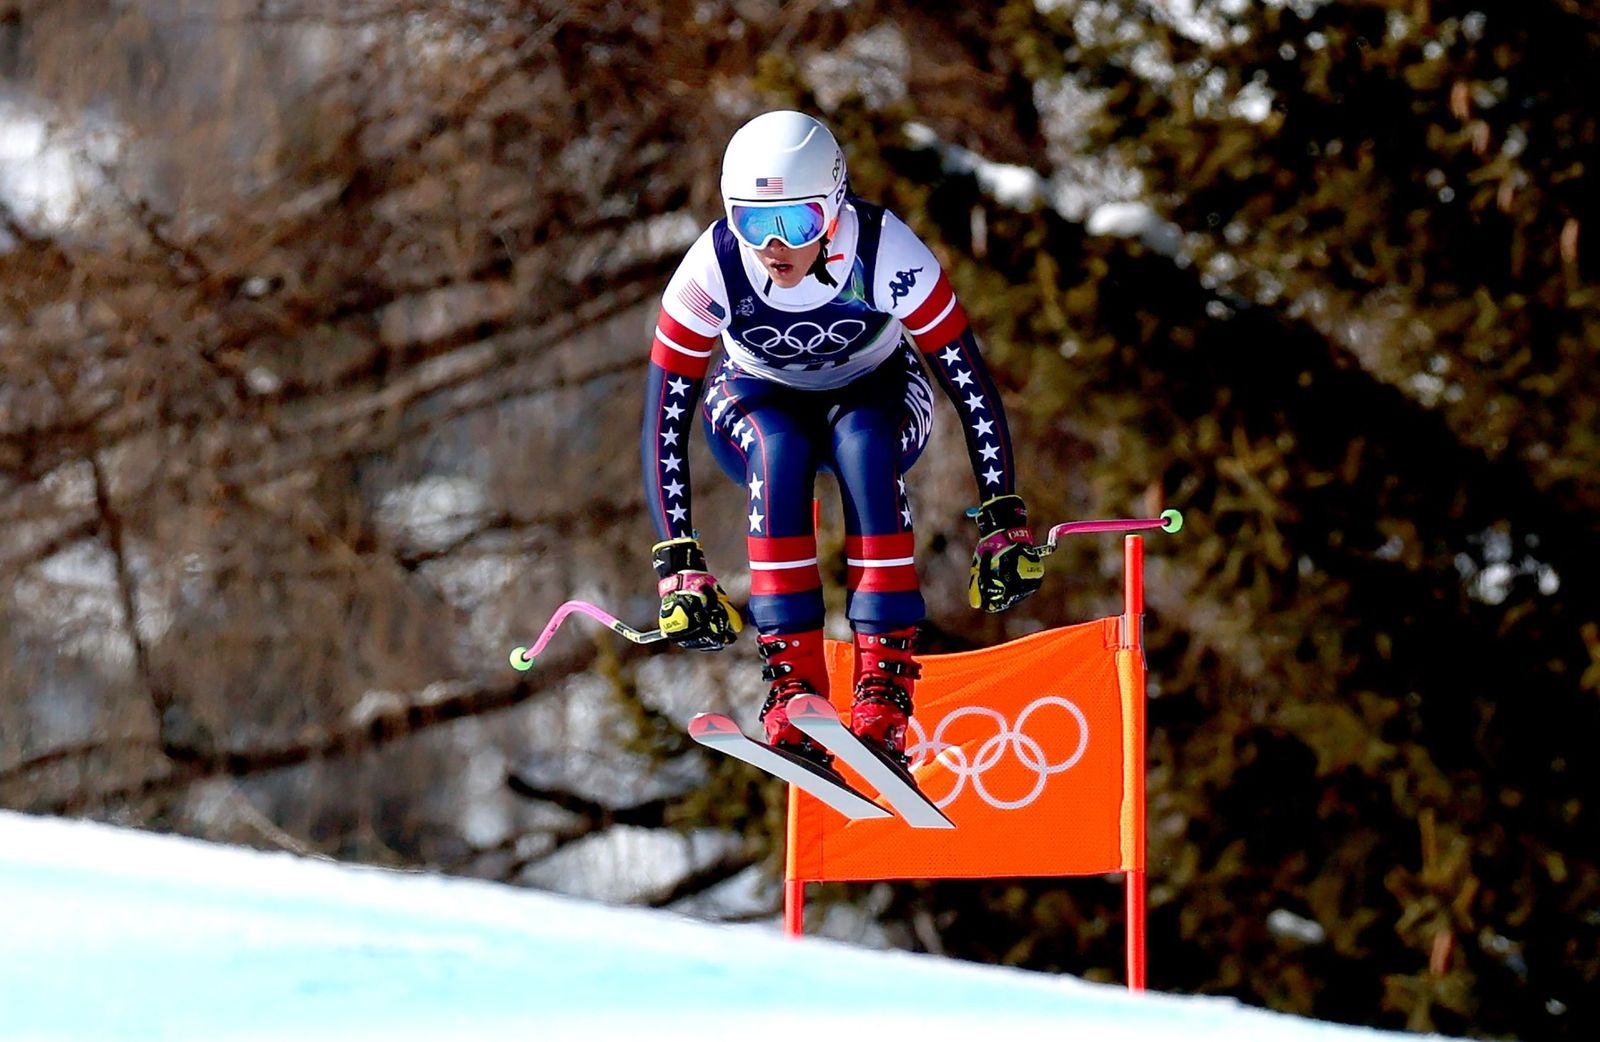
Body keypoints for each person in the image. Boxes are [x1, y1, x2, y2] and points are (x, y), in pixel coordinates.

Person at [641, 110, 1044, 771]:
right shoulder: (711, 269)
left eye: (795, 223)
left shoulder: (886, 252)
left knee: (865, 444)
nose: (773, 247)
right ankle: (792, 685)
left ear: (832, 209)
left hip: (878, 392)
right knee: (779, 449)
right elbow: (665, 413)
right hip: (755, 395)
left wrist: (1002, 515)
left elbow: (968, 379)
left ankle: (883, 687)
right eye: (752, 223)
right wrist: (677, 561)